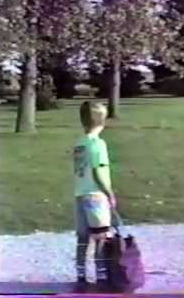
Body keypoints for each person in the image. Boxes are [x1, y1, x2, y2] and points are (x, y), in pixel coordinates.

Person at [73, 101, 117, 291]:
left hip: (80, 194)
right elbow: (98, 173)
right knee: (100, 237)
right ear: (103, 120)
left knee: (83, 238)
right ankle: (102, 275)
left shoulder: (79, 144)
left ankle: (81, 273)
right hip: (96, 196)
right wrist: (110, 193)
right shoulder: (98, 144)